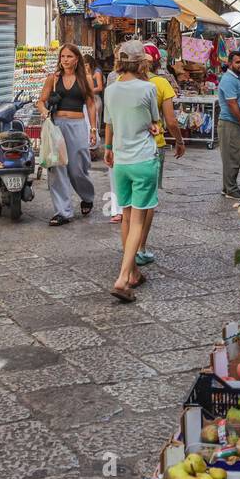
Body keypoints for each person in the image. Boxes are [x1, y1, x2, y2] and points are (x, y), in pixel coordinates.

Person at [104, 41, 160, 302]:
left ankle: (134, 272)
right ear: (141, 63)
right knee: (137, 219)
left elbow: (110, 124)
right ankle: (123, 277)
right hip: (143, 159)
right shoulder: (148, 88)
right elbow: (154, 123)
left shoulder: (110, 90)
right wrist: (154, 128)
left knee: (126, 217)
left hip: (121, 162)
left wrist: (107, 148)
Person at [37, 44, 97, 226]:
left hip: (78, 125)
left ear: (77, 59)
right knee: (57, 167)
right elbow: (40, 101)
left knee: (78, 167)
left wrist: (93, 129)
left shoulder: (85, 79)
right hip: (57, 125)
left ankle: (87, 196)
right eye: (63, 56)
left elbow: (91, 104)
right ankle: (63, 211)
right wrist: (46, 113)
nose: (65, 60)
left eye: (69, 56)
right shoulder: (53, 78)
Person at [137, 44, 185, 265]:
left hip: (127, 146)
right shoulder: (161, 83)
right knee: (148, 200)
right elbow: (172, 121)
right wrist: (179, 141)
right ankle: (141, 247)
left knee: (129, 201)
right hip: (153, 145)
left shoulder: (122, 83)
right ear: (157, 62)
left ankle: (130, 245)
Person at [217, 50, 240, 199]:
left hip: (234, 123)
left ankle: (228, 187)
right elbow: (232, 103)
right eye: (237, 62)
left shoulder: (236, 78)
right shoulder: (229, 80)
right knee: (232, 157)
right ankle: (231, 189)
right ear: (230, 64)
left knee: (234, 155)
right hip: (230, 123)